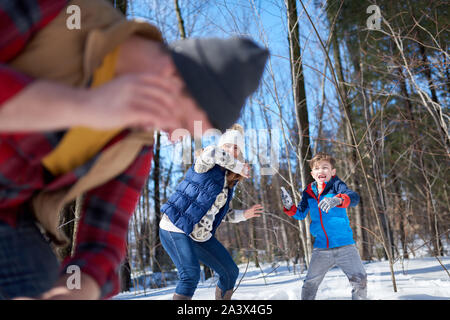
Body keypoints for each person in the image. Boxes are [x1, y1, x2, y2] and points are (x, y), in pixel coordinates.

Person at [0, 0, 268, 300]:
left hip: (11, 221)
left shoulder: (135, 145)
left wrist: (75, 291)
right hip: (176, 227)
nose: (173, 136)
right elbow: (209, 155)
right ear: (176, 77)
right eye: (181, 122)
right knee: (189, 275)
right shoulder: (70, 15)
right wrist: (83, 106)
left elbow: (104, 240)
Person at [159, 124, 264, 300]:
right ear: (222, 147)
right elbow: (211, 152)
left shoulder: (228, 182)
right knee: (190, 274)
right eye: (228, 146)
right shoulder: (204, 165)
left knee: (230, 272)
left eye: (236, 148)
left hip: (199, 235)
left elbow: (221, 213)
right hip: (175, 226)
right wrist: (238, 167)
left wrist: (244, 215)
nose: (232, 150)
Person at [281, 152, 367, 300]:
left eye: (325, 168)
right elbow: (301, 213)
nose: (321, 171)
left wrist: (338, 200)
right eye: (317, 168)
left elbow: (354, 197)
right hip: (321, 249)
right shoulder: (308, 192)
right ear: (312, 173)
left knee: (360, 281)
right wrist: (290, 207)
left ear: (332, 172)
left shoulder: (337, 185)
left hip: (345, 245)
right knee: (310, 283)